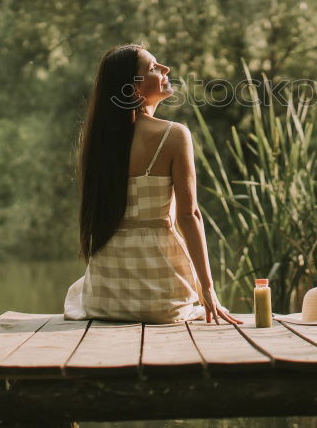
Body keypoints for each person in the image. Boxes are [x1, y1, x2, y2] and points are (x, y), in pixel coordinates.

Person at [63, 43, 241, 325]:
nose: (165, 69)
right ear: (134, 90)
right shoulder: (174, 135)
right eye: (154, 68)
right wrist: (207, 289)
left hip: (104, 300)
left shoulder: (99, 144)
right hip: (161, 302)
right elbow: (189, 215)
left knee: (78, 290)